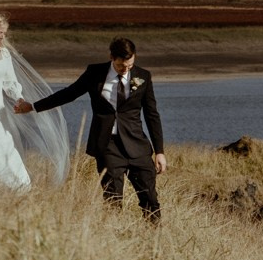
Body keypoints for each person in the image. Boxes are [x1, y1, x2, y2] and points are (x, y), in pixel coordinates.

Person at [15, 36, 164, 221]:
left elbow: (152, 115)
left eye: (130, 65)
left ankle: (155, 240)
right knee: (113, 199)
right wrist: (34, 106)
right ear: (111, 57)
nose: (125, 69)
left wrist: (159, 151)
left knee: (150, 199)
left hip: (137, 146)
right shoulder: (95, 73)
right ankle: (114, 239)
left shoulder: (144, 76)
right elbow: (69, 93)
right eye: (121, 66)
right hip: (107, 146)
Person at [0, 11, 72, 192]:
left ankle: (18, 188)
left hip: (0, 112)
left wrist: (19, 98)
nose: (2, 37)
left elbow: (10, 82)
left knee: (9, 149)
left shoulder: (4, 54)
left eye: (4, 33)